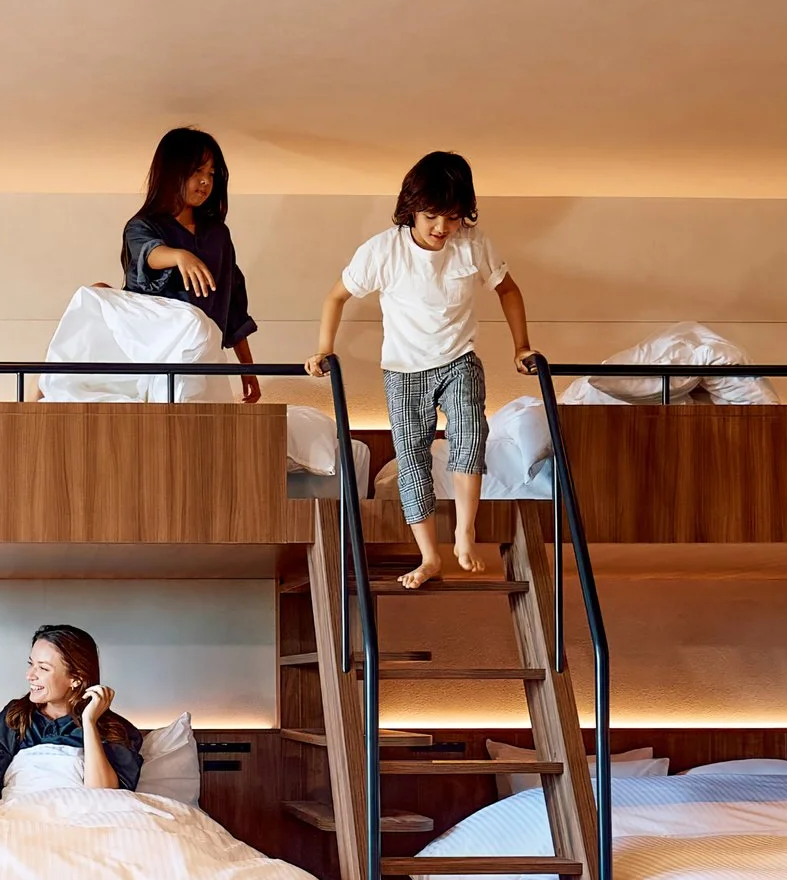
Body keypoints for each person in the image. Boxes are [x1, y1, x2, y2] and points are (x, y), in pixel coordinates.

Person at [303, 151, 537, 589]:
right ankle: (429, 556)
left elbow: (509, 290)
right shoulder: (382, 251)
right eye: (431, 216)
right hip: (403, 370)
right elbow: (336, 297)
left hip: (458, 360)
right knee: (412, 459)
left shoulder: (473, 243)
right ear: (411, 208)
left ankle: (465, 533)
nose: (441, 229)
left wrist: (520, 346)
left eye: (451, 217)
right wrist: (323, 349)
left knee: (470, 430)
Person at [121, 126, 260, 402]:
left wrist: (248, 369)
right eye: (197, 170)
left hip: (207, 358)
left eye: (210, 174)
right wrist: (178, 255)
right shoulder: (142, 226)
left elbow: (232, 305)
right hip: (154, 358)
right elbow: (148, 254)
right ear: (172, 171)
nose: (206, 181)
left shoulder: (218, 235)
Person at [0, 625, 142, 808]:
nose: (29, 675)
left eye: (43, 668)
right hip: (19, 812)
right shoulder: (16, 717)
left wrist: (90, 722)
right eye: (31, 664)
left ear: (76, 678)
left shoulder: (114, 729)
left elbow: (104, 796)